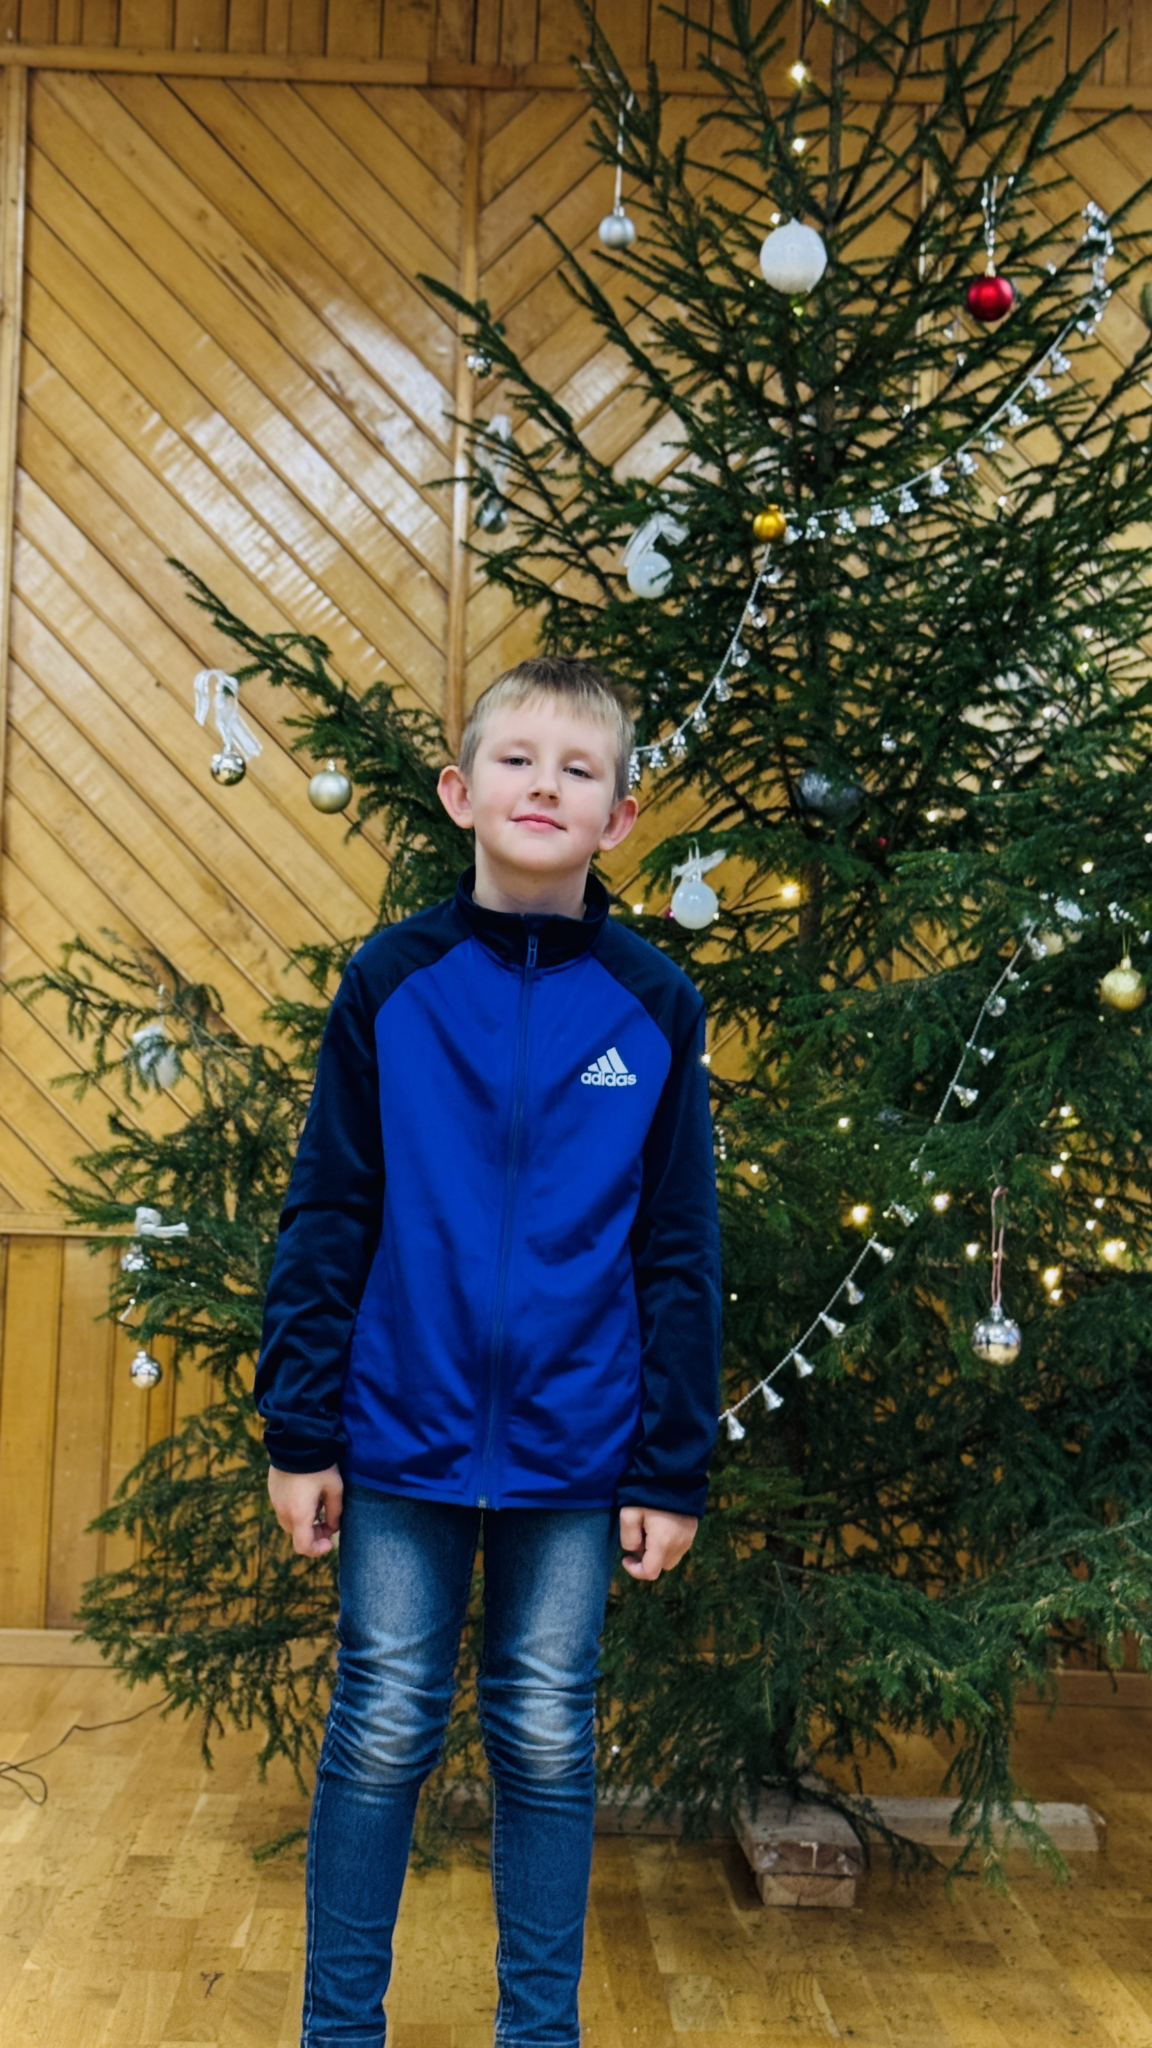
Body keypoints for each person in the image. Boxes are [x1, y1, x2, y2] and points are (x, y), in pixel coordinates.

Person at [255, 655, 722, 2048]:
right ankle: (340, 2031)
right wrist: (300, 1430)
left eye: (579, 770)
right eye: (517, 760)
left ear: (619, 818)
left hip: (578, 1453)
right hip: (397, 1433)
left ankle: (540, 2034)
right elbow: (330, 1210)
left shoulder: (654, 1003)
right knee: (383, 1724)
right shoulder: (392, 982)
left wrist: (672, 1467)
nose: (544, 787)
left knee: (546, 1735)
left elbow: (680, 1249)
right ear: (461, 793)